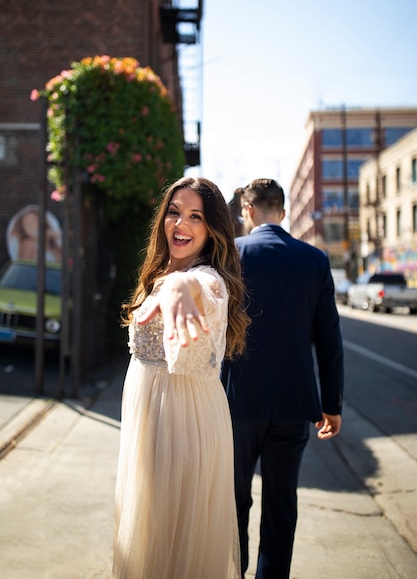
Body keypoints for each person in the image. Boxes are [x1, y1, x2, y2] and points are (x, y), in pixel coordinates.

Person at [113, 177, 250, 579]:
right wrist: (168, 281)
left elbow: (194, 286)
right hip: (148, 423)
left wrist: (178, 287)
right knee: (148, 538)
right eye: (174, 212)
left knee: (175, 547)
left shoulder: (210, 281)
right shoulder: (156, 272)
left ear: (212, 230)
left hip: (185, 426)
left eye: (195, 216)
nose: (181, 224)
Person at [221, 178, 344, 579]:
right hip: (294, 403)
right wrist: (332, 404)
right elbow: (329, 340)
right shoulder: (314, 260)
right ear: (284, 212)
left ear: (248, 211)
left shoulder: (231, 255)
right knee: (281, 504)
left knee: (234, 502)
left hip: (237, 402)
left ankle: (232, 572)